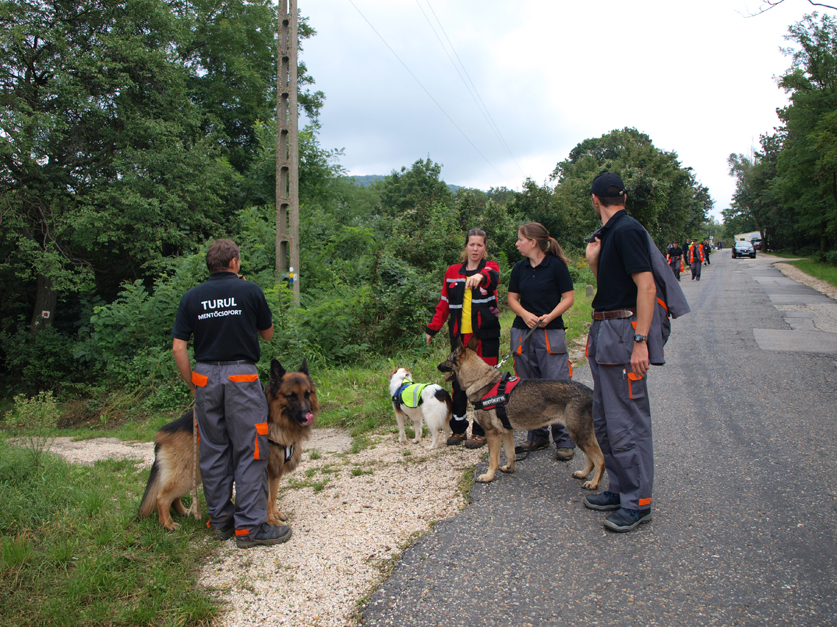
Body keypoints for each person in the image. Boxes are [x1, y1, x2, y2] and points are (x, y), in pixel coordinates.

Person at [171, 238, 290, 549]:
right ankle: (250, 529)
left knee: (213, 451)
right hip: (241, 376)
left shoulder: (191, 297)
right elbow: (268, 334)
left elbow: (178, 348)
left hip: (205, 377)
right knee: (251, 449)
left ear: (210, 266)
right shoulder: (249, 291)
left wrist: (194, 383)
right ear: (235, 262)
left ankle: (222, 522)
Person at [583, 172, 655, 533]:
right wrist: (594, 261)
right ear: (622, 196)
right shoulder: (608, 236)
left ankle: (638, 501)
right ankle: (620, 488)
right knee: (605, 418)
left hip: (624, 332)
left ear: (594, 199)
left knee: (626, 418)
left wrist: (640, 340)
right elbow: (612, 286)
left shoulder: (626, 231)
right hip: (604, 329)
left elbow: (647, 286)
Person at [507, 222, 576, 461]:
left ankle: (564, 440)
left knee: (557, 385)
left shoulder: (556, 266)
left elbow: (569, 297)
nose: (517, 243)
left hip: (550, 333)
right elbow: (512, 299)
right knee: (528, 386)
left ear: (533, 242)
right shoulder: (519, 268)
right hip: (522, 333)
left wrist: (551, 316)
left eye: (520, 239)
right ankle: (536, 436)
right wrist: (524, 314)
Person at [426, 228, 501, 449]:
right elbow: (443, 304)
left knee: (485, 383)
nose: (475, 249)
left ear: (485, 247)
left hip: (485, 336)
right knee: (459, 385)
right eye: (472, 244)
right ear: (466, 246)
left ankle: (481, 431)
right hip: (460, 338)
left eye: (480, 245)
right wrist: (432, 329)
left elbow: (493, 279)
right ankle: (459, 429)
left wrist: (480, 276)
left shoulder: (490, 267)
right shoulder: (452, 272)